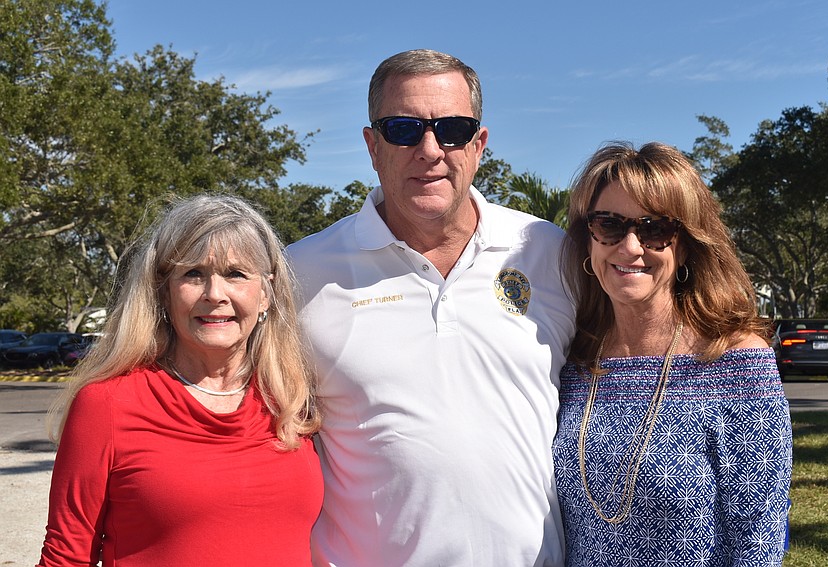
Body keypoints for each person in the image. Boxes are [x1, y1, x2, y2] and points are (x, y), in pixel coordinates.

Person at [286, 49, 576, 566]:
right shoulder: (300, 274)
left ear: (479, 144)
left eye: (452, 129)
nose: (429, 149)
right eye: (403, 129)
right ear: (372, 147)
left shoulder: (549, 252)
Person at [37, 194, 323, 567]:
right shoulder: (107, 404)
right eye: (193, 274)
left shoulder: (293, 400)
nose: (215, 295)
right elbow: (66, 558)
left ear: (266, 293)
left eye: (236, 274)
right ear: (164, 291)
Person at [552, 141, 793, 566]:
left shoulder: (736, 365)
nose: (629, 247)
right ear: (588, 239)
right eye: (609, 225)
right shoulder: (574, 362)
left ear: (685, 245)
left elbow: (759, 541)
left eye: (655, 229)